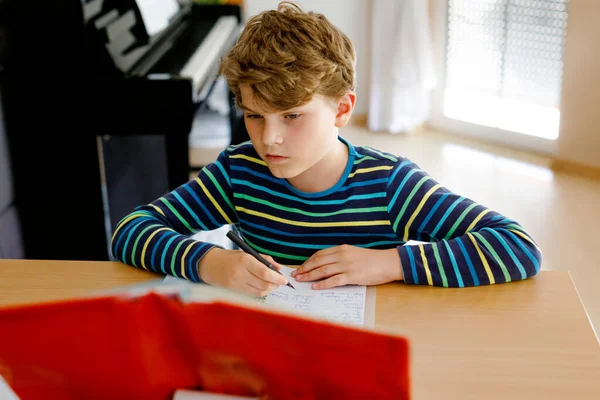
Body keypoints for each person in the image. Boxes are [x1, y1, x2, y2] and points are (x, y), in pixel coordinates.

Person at [111, 1, 542, 298]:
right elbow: (130, 230)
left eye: (292, 116)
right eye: (254, 115)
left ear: (342, 109)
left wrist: (392, 263)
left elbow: (517, 247)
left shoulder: (391, 185)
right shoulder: (237, 173)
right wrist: (208, 262)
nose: (268, 139)